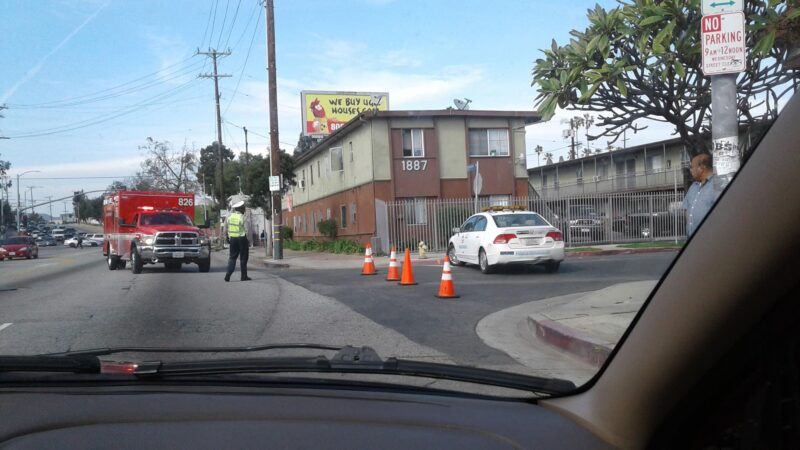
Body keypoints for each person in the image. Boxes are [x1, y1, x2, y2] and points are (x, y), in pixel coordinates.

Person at [683, 151, 720, 237]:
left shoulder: (717, 185)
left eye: (692, 167)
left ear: (702, 167)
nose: (690, 170)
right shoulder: (693, 187)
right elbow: (686, 208)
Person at [224, 201, 251, 282]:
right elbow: (247, 231)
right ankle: (243, 276)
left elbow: (225, 228)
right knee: (243, 258)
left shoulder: (229, 217)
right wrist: (248, 241)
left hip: (232, 239)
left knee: (232, 258)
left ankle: (228, 274)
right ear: (240, 209)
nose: (244, 209)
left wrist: (226, 237)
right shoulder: (243, 217)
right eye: (243, 208)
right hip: (242, 239)